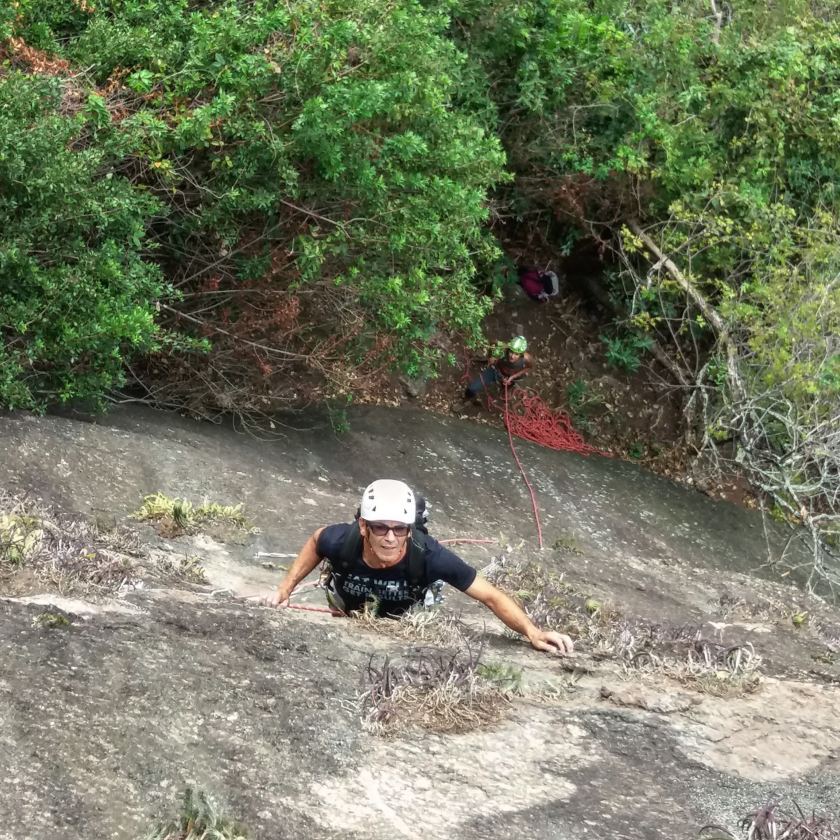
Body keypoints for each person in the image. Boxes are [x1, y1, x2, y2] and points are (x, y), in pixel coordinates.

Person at [240, 479, 573, 655]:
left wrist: (533, 632)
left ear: (410, 530)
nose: (389, 537)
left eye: (399, 529)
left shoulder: (429, 555)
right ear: (363, 527)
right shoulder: (342, 540)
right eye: (380, 527)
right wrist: (283, 592)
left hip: (407, 619)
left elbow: (490, 596)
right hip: (347, 610)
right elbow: (316, 541)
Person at [458, 335, 534, 408]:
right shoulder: (503, 347)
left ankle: (505, 389)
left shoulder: (527, 359)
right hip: (496, 370)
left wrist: (514, 376)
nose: (512, 356)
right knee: (472, 388)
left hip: (511, 375)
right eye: (511, 352)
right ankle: (465, 400)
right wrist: (490, 357)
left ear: (521, 355)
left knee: (509, 384)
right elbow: (492, 344)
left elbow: (529, 367)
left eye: (516, 354)